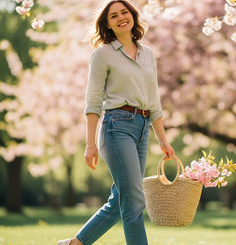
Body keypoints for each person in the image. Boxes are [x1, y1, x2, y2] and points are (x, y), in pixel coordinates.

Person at [58, 0, 175, 244]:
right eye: (114, 16)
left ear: (133, 16)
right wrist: (90, 144)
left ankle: (74, 244)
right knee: (134, 199)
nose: (121, 17)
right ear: (107, 24)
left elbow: (154, 102)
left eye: (125, 12)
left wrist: (163, 139)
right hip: (116, 126)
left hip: (142, 129)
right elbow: (93, 102)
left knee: (122, 198)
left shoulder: (148, 54)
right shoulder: (102, 55)